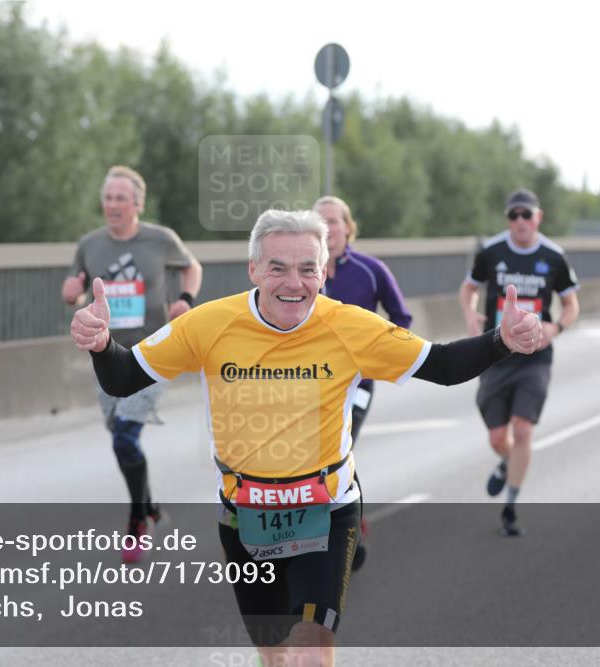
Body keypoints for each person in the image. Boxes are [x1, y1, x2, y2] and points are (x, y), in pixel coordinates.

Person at [71, 209, 542, 665]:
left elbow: (440, 365)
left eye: (307, 269)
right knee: (275, 654)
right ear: (254, 269)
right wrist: (100, 345)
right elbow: (123, 377)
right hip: (244, 517)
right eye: (277, 268)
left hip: (327, 512)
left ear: (323, 273)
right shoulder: (209, 324)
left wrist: (502, 340)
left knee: (312, 652)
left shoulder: (350, 325)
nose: (294, 283)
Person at [62, 165, 202, 563]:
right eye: (108, 198)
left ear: (137, 203)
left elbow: (193, 267)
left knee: (125, 436)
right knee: (120, 438)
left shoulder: (160, 240)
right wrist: (71, 293)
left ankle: (138, 521)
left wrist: (186, 300)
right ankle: (152, 507)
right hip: (105, 354)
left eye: (121, 198)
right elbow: (76, 287)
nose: (113, 205)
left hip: (153, 353)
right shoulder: (90, 244)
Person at [459, 189, 580, 536]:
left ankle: (510, 507)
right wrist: (470, 314)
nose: (521, 221)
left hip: (535, 357)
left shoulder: (553, 257)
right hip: (495, 353)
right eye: (514, 215)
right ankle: (505, 461)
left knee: (523, 429)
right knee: (499, 436)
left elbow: (572, 304)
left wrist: (556, 327)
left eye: (527, 214)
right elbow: (468, 289)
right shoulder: (492, 252)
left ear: (538, 217)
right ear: (507, 219)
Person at [313, 195, 412, 572]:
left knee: (338, 446)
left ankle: (349, 530)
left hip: (358, 381)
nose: (326, 228)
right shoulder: (303, 271)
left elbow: (401, 317)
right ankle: (336, 522)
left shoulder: (371, 270)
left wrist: (383, 353)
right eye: (318, 221)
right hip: (312, 380)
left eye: (333, 221)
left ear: (347, 228)